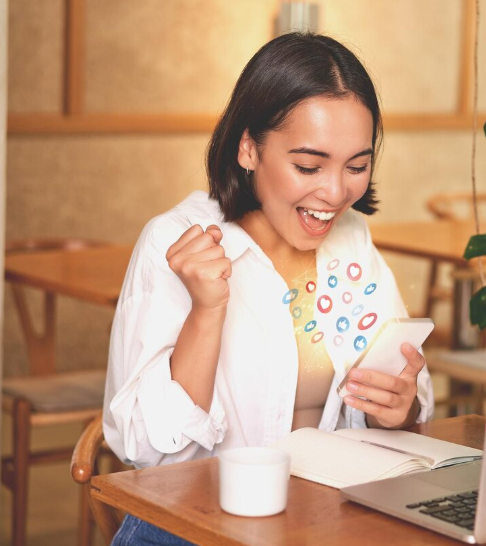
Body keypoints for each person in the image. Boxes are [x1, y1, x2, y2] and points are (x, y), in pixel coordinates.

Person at [103, 32, 434, 545]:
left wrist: (399, 405)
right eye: (308, 166)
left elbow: (407, 399)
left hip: (317, 520)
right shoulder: (174, 242)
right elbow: (146, 451)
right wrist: (206, 312)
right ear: (249, 148)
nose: (334, 192)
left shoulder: (351, 241)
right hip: (187, 526)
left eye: (357, 166)